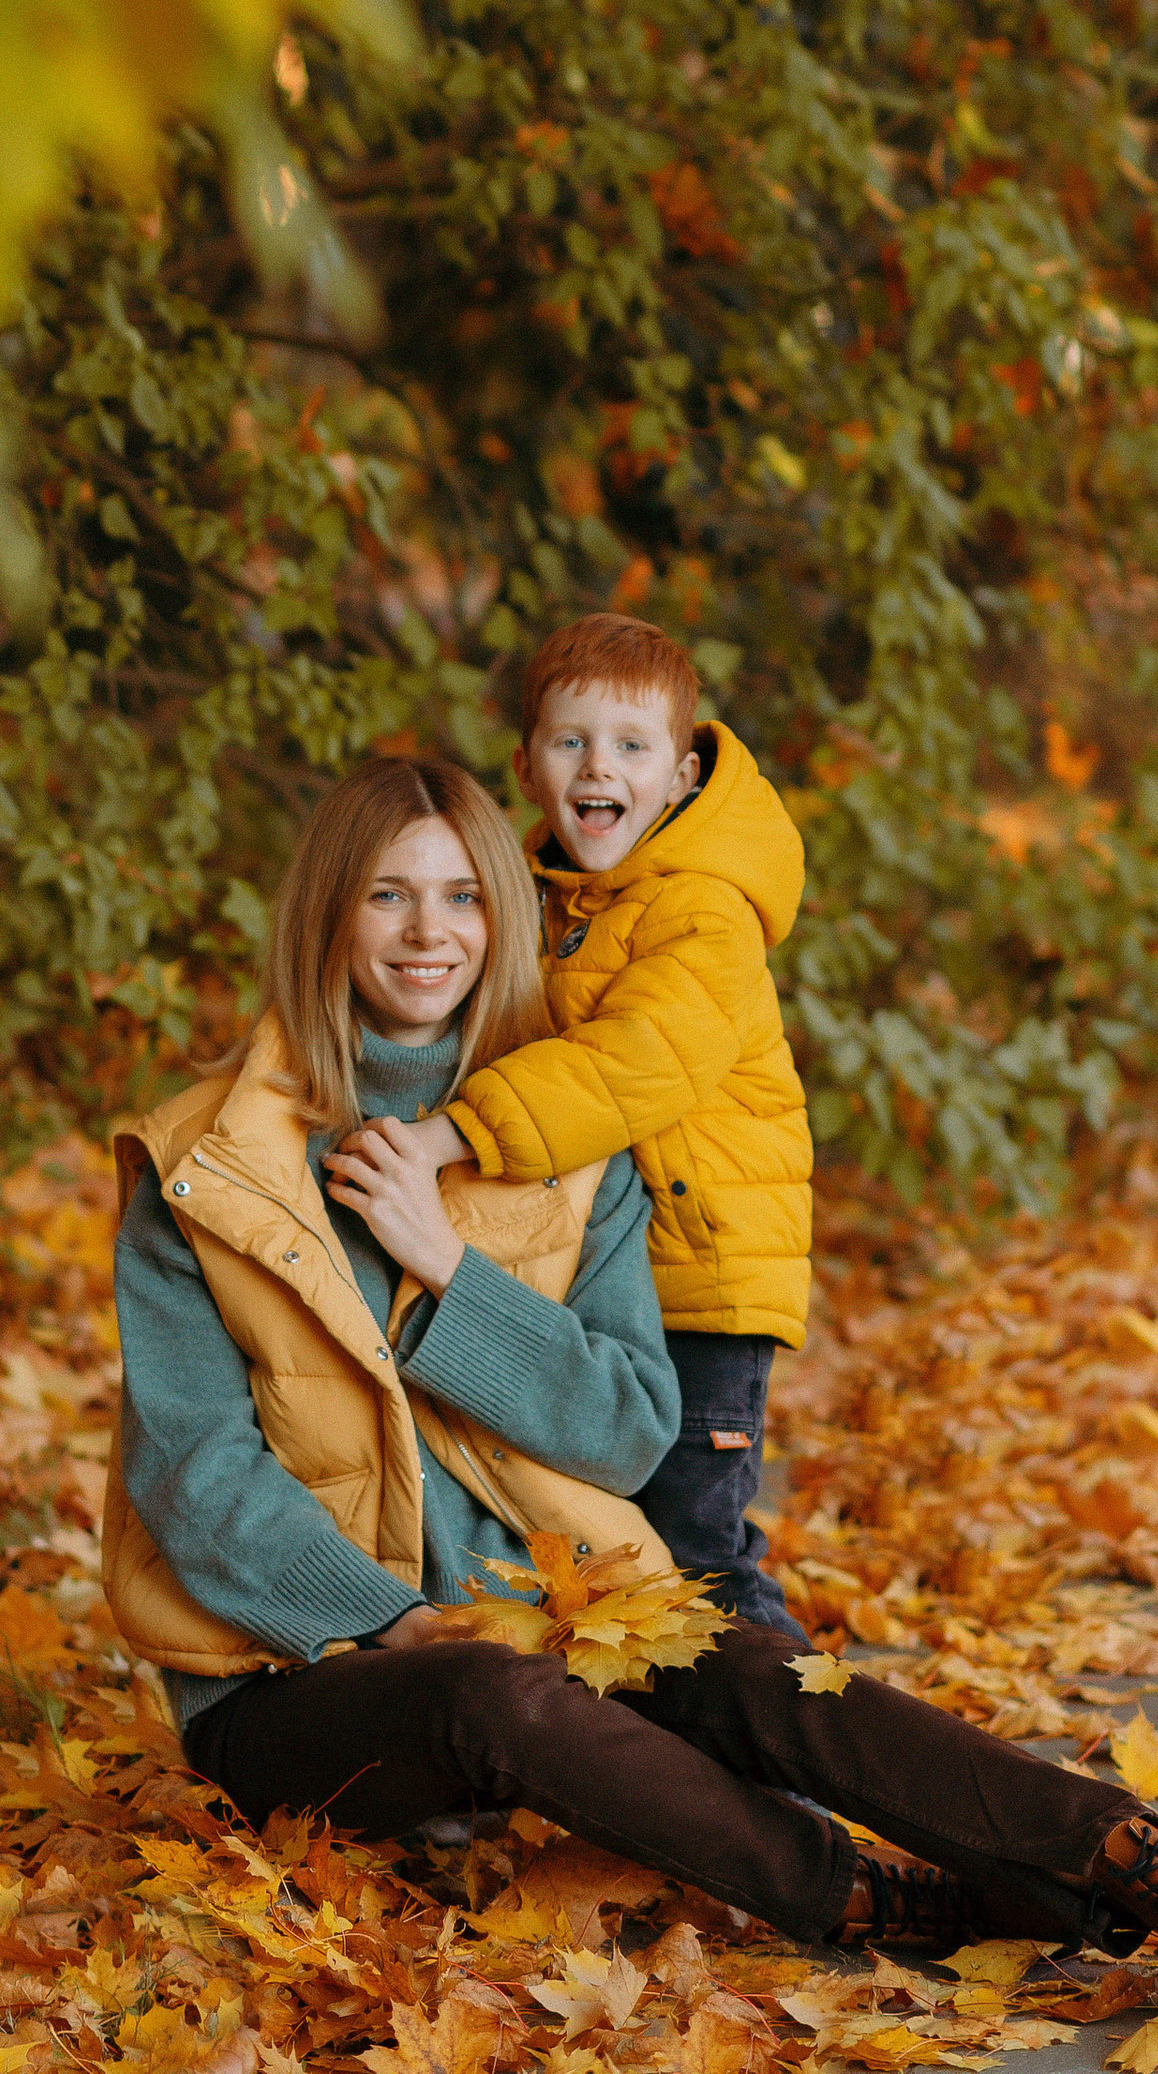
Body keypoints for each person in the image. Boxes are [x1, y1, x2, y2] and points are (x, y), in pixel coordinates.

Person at [102, 751, 1158, 2004]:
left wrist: (450, 1271)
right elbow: (196, 1473)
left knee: (747, 1666)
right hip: (293, 1687)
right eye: (388, 895)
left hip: (541, 1619)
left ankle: (1136, 1860)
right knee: (487, 1689)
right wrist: (391, 1623)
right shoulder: (206, 1168)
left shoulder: (564, 1145)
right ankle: (856, 1892)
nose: (430, 932)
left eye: (463, 896)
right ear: (328, 914)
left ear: (502, 916)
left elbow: (629, 1429)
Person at [356, 617, 812, 1627]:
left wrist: (447, 1136)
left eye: (631, 746)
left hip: (699, 1278)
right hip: (596, 1270)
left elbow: (631, 1065)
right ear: (527, 766)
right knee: (601, 1541)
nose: (599, 766)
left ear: (680, 777)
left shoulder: (703, 913)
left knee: (697, 1557)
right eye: (572, 741)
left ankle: (799, 1727)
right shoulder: (540, 900)